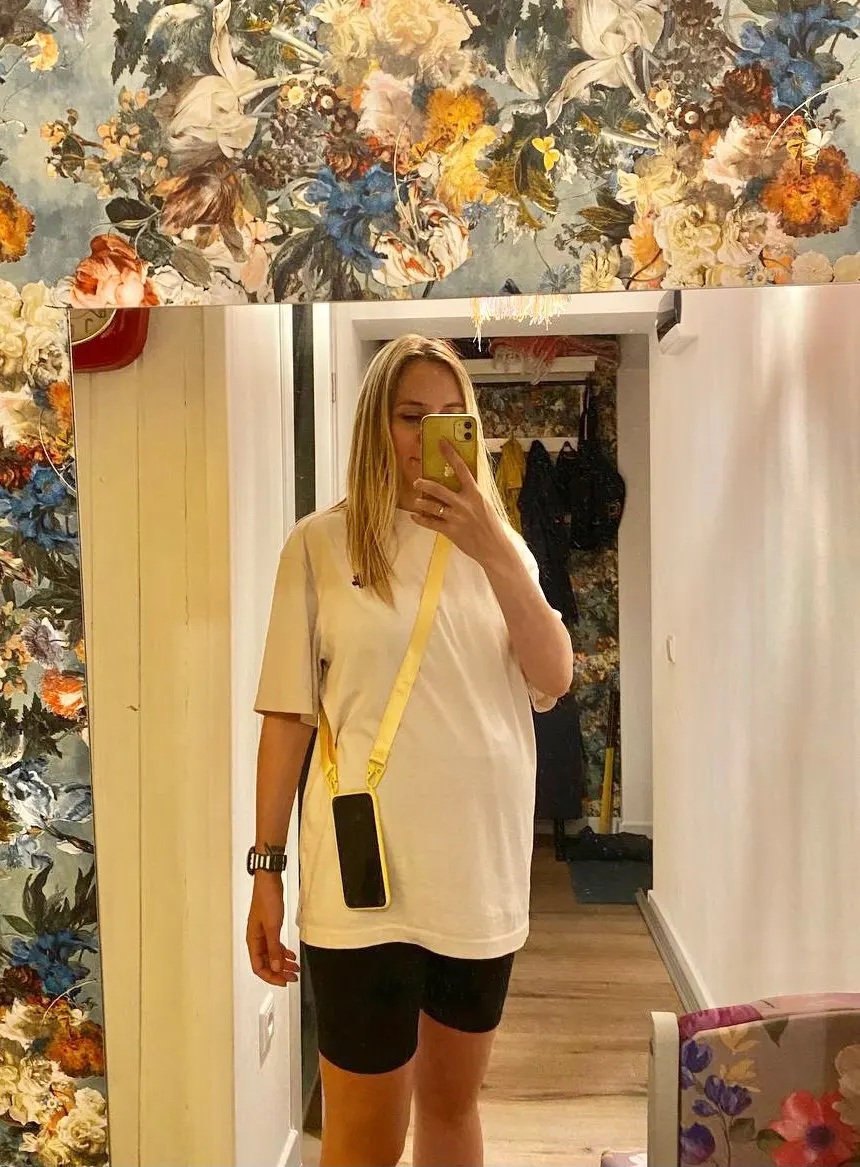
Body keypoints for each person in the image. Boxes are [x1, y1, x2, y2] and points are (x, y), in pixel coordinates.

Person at [247, 334, 573, 1167]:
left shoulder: (504, 551)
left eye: (452, 416)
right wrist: (265, 869)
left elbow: (554, 675)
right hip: (361, 881)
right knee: (364, 1133)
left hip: (477, 875)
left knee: (453, 1108)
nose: (432, 434)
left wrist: (493, 547)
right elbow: (287, 717)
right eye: (410, 415)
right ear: (375, 425)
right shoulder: (321, 546)